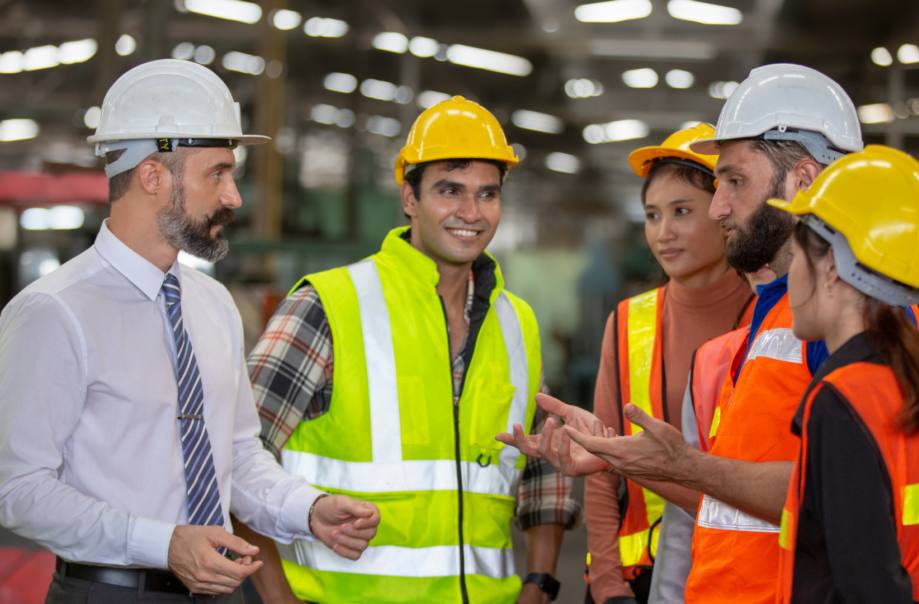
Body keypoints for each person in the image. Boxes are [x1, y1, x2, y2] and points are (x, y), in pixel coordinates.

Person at [500, 64, 919, 604]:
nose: (718, 206)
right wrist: (625, 458)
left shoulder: (855, 313)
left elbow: (845, 495)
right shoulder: (773, 315)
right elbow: (733, 501)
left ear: (805, 179)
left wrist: (683, 464)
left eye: (735, 182)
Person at [0, 59, 380, 603]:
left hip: (218, 592)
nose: (234, 197)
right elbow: (16, 489)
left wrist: (308, 508)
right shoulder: (53, 312)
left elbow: (237, 455)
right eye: (216, 174)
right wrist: (162, 544)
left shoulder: (213, 304)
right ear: (153, 176)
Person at [236, 95, 581, 604]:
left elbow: (542, 465)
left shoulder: (516, 322)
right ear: (409, 198)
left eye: (487, 194)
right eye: (450, 190)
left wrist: (541, 581)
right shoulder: (327, 305)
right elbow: (236, 461)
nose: (471, 212)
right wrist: (277, 599)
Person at [771, 145, 919, 604]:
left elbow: (867, 590)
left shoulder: (842, 401)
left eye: (796, 255)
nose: (790, 276)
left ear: (831, 269)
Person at [584, 124, 755, 604]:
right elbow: (602, 469)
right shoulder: (628, 321)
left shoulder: (772, 321)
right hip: (638, 580)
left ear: (724, 209)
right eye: (652, 215)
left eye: (682, 211)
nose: (663, 233)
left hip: (737, 574)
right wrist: (607, 584)